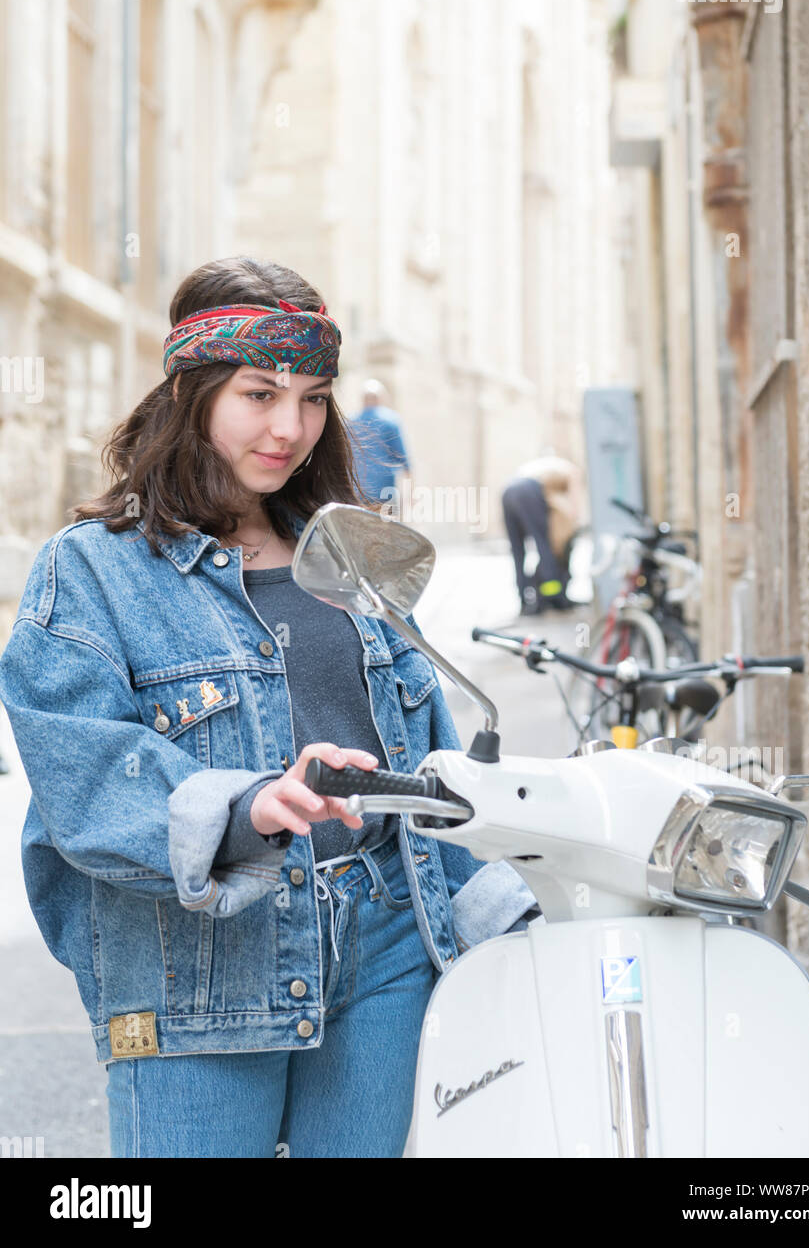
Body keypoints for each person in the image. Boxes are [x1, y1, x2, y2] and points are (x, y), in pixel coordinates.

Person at [0, 256, 537, 1159]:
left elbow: (431, 770)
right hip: (200, 967)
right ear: (192, 391)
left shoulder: (351, 554)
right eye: (260, 393)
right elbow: (82, 779)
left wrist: (512, 912)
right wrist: (245, 808)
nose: (291, 427)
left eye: (315, 397)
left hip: (385, 951)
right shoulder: (91, 570)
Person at [501, 453, 583, 616]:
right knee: (543, 545)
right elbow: (574, 508)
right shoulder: (572, 471)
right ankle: (553, 596)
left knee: (518, 551)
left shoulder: (545, 467)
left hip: (507, 491)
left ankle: (523, 600)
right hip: (528, 490)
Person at [348, 379, 411, 511]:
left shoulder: (350, 423)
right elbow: (404, 460)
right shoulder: (391, 421)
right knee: (386, 529)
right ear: (381, 399)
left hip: (358, 492)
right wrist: (411, 493)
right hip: (384, 492)